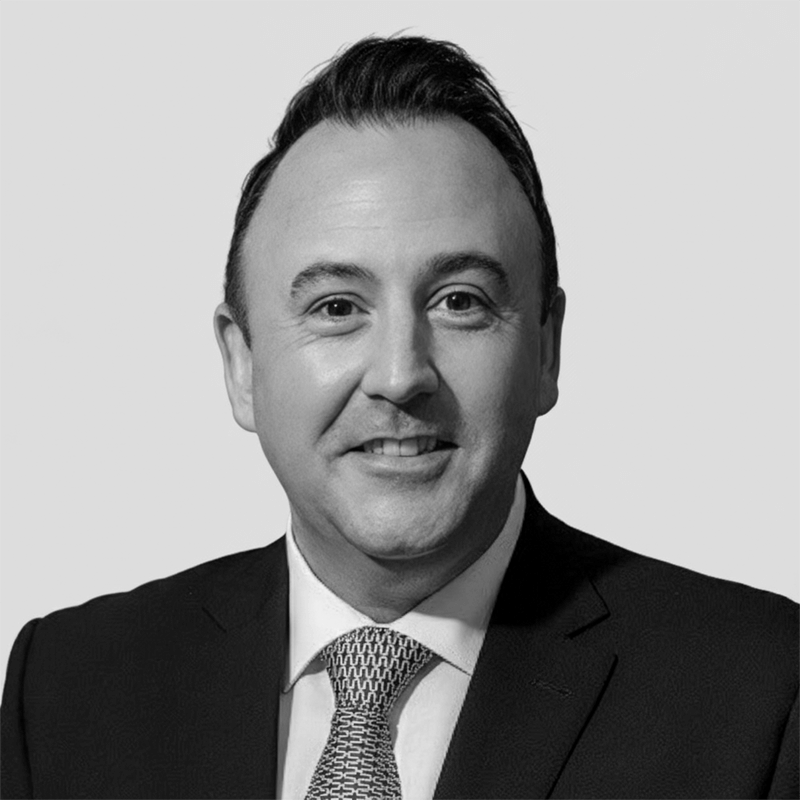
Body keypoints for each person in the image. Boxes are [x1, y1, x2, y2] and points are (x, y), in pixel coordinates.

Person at [1, 35, 798, 800]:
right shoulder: (67, 690)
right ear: (240, 365)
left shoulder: (759, 692)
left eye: (460, 302)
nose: (399, 375)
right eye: (337, 306)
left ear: (547, 349)